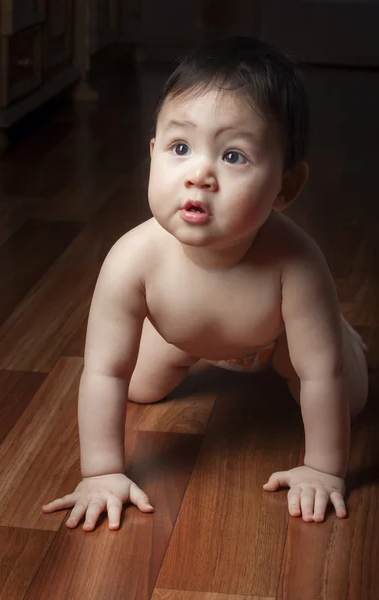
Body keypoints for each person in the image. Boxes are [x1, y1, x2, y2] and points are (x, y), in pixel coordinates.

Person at [43, 36, 368, 531]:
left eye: (233, 156)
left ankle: (338, 332)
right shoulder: (132, 260)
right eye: (179, 147)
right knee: (135, 388)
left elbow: (322, 375)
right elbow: (104, 372)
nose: (199, 174)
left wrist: (324, 469)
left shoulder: (296, 264)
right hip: (183, 334)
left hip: (278, 339)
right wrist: (102, 472)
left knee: (344, 393)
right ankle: (184, 348)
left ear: (286, 186)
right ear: (153, 154)